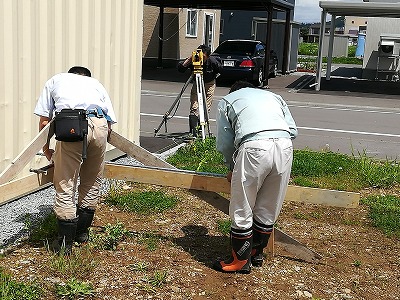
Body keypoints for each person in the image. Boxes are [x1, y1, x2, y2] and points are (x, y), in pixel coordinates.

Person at [213, 81, 298, 273]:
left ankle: (240, 261)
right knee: (268, 205)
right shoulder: (275, 97)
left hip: (254, 147)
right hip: (284, 146)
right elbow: (292, 130)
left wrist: (232, 167)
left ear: (235, 90)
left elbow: (225, 142)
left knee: (242, 204)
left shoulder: (228, 101)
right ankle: (256, 253)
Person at [34, 66, 117, 255]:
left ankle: (64, 243)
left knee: (65, 182)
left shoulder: (56, 80)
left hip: (72, 125)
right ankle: (81, 233)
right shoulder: (96, 84)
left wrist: (47, 150)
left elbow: (45, 122)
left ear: (70, 74)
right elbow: (110, 123)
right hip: (100, 125)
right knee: (91, 181)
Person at [177, 44, 222, 136]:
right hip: (197, 83)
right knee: (194, 106)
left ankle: (202, 130)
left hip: (209, 84)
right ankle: (193, 131)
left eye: (203, 57)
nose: (201, 59)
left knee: (206, 107)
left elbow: (220, 69)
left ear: (208, 56)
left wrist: (215, 76)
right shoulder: (194, 59)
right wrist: (190, 59)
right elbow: (181, 69)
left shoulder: (212, 61)